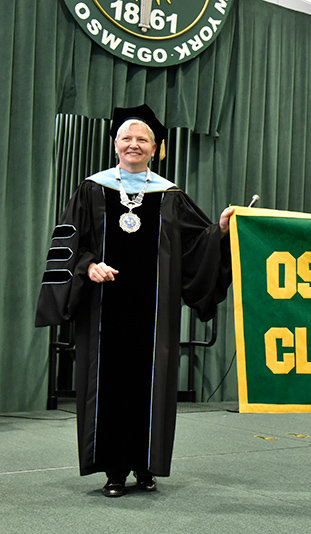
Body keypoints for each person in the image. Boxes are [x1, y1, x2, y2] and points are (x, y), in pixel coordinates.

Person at [36, 104, 234, 497]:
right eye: (127, 138)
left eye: (143, 139)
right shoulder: (92, 188)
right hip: (102, 309)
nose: (134, 144)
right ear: (114, 145)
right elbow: (71, 243)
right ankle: (113, 470)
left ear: (156, 148)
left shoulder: (170, 195)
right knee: (108, 384)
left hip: (154, 314)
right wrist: (88, 266)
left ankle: (145, 467)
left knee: (151, 385)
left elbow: (197, 244)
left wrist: (222, 230)